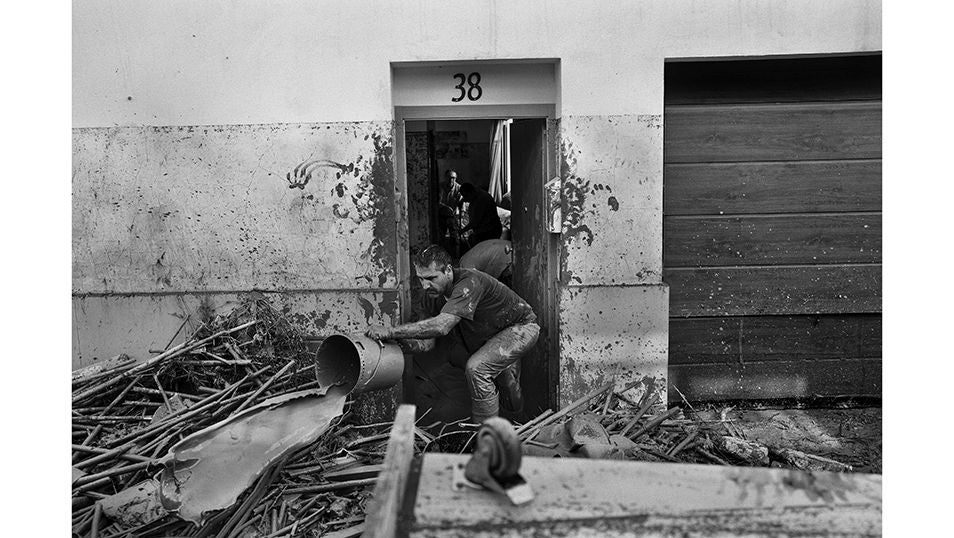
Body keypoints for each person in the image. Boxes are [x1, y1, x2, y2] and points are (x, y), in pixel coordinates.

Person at [367, 245, 539, 422]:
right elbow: (426, 343)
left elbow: (442, 326)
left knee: (481, 371)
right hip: (488, 338)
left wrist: (389, 331)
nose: (425, 285)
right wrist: (397, 343)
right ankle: (505, 428)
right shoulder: (431, 296)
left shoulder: (469, 282)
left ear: (448, 270)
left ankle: (495, 434)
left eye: (431, 278)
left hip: (521, 328)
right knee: (493, 377)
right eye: (420, 279)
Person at [458, 182, 503, 249]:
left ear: (471, 192)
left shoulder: (481, 200)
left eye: (465, 196)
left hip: (490, 232)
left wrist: (461, 231)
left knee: (473, 242)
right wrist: (462, 201)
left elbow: (474, 223)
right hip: (484, 230)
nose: (465, 199)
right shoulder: (475, 194)